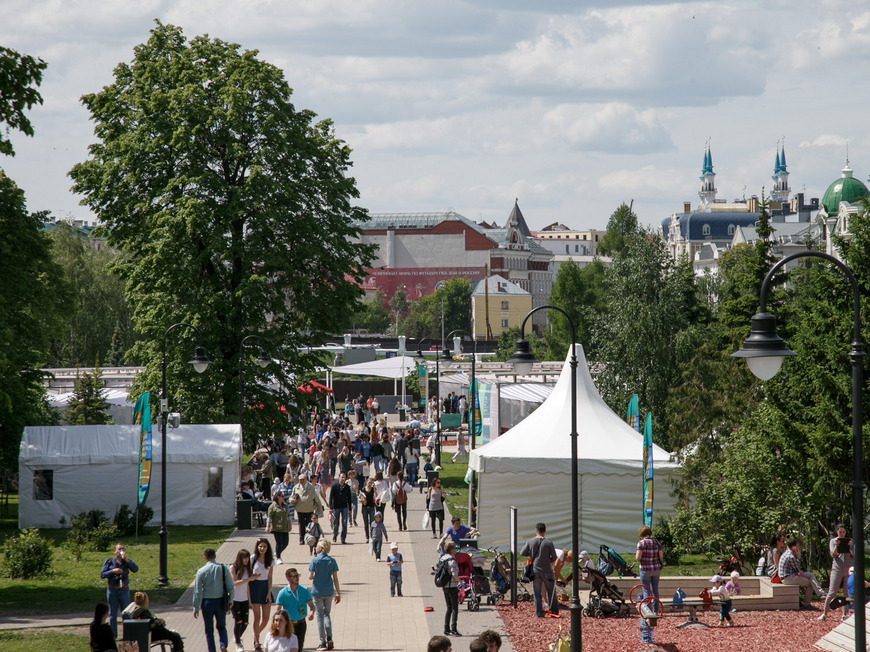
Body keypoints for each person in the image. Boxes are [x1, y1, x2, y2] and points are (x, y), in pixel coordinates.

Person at [193, 548, 234, 652]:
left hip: (207, 602)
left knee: (209, 630)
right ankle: (223, 644)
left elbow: (197, 591)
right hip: (220, 601)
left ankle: (212, 650)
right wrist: (231, 600)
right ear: (215, 556)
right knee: (221, 625)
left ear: (204, 558)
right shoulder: (223, 568)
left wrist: (196, 607)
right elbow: (231, 586)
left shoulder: (201, 571)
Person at [520, 522, 559, 618]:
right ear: (545, 531)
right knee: (550, 591)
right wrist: (548, 560)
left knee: (537, 592)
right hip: (547, 570)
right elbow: (554, 557)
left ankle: (539, 613)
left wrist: (532, 555)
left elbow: (522, 553)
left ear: (536, 531)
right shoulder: (549, 543)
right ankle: (554, 611)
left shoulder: (530, 541)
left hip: (535, 569)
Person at [100, 542, 139, 637]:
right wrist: (113, 571)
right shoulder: (109, 561)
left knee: (126, 613)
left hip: (124, 590)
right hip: (112, 590)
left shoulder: (126, 562)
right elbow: (102, 574)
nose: (121, 551)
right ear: (114, 551)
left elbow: (135, 569)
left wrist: (127, 560)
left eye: (123, 549)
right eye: (119, 549)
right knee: (112, 614)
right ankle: (113, 635)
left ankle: (128, 635)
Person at [309, 539, 341, 652]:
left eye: (317, 546)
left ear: (321, 548)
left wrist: (314, 576)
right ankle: (330, 637)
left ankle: (322, 642)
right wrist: (338, 593)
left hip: (317, 591)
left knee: (319, 615)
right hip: (329, 591)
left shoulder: (314, 560)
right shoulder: (332, 561)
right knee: (327, 614)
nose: (316, 548)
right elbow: (335, 579)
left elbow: (310, 576)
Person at [778, 538, 825, 609]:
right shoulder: (791, 556)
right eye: (797, 546)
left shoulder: (787, 553)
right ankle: (806, 604)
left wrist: (799, 572)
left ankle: (820, 593)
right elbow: (798, 569)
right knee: (809, 584)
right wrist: (798, 556)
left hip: (791, 575)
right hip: (787, 578)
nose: (798, 547)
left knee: (810, 575)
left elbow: (797, 571)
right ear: (793, 547)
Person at [275, 568, 315, 651]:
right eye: (294, 576)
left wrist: (312, 612)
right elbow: (278, 610)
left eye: (297, 575)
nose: (297, 578)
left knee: (299, 647)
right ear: (288, 578)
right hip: (289, 624)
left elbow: (311, 605)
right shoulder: (283, 593)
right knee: (289, 648)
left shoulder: (304, 590)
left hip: (302, 623)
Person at [821, 523, 854, 620]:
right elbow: (833, 554)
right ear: (837, 531)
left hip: (848, 569)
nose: (842, 534)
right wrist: (836, 545)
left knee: (846, 592)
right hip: (837, 568)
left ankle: (844, 614)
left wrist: (850, 547)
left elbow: (854, 555)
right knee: (832, 591)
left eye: (844, 532)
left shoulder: (851, 541)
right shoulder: (832, 541)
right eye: (840, 532)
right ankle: (824, 613)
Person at [250, 537, 276, 650]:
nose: (262, 548)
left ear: (267, 547)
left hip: (265, 587)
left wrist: (269, 592)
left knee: (265, 619)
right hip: (255, 587)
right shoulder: (252, 558)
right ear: (257, 547)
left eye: (264, 546)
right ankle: (257, 642)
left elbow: (270, 577)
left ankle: (256, 634)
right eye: (260, 546)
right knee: (257, 617)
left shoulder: (270, 560)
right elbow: (248, 574)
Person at [229, 549, 256, 652]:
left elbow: (247, 586)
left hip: (244, 599)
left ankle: (237, 638)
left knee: (245, 623)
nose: (246, 560)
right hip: (235, 599)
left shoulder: (247, 568)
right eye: (244, 558)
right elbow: (235, 582)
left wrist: (250, 600)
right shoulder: (233, 567)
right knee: (238, 621)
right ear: (240, 558)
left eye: (247, 558)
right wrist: (249, 579)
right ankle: (238, 643)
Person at [291, 472, 323, 546]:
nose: (301, 481)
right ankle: (301, 539)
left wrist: (319, 507)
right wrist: (292, 500)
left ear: (306, 479)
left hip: (309, 509)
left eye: (303, 479)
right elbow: (291, 497)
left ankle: (308, 538)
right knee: (301, 525)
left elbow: (316, 498)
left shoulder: (311, 487)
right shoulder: (296, 487)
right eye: (300, 480)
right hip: (300, 509)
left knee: (309, 525)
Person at [439, 541, 461, 636]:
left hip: (444, 585)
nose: (456, 550)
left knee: (448, 608)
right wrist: (461, 582)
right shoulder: (452, 560)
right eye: (455, 548)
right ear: (451, 549)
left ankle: (446, 628)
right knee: (455, 608)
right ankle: (454, 628)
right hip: (452, 585)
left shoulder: (442, 558)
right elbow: (454, 574)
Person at [635, 525, 664, 600]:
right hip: (656, 569)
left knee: (646, 590)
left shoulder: (641, 543)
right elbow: (661, 556)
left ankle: (648, 610)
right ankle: (656, 610)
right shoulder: (657, 542)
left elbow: (638, 558)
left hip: (645, 569)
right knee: (655, 590)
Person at [266, 491, 292, 564]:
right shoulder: (272, 506)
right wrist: (267, 526)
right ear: (278, 497)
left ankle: (277, 552)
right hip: (276, 527)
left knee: (286, 543)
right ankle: (278, 557)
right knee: (279, 542)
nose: (284, 498)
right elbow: (269, 517)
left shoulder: (285, 506)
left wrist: (290, 524)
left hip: (285, 527)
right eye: (282, 496)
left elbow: (288, 516)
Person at [327, 472, 352, 544]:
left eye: (344, 477)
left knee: (344, 523)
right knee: (336, 523)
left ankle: (343, 538)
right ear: (339, 477)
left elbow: (349, 498)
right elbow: (331, 497)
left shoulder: (347, 487)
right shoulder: (334, 487)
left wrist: (350, 509)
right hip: (336, 507)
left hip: (344, 507)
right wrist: (331, 507)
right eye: (342, 477)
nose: (343, 479)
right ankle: (335, 535)